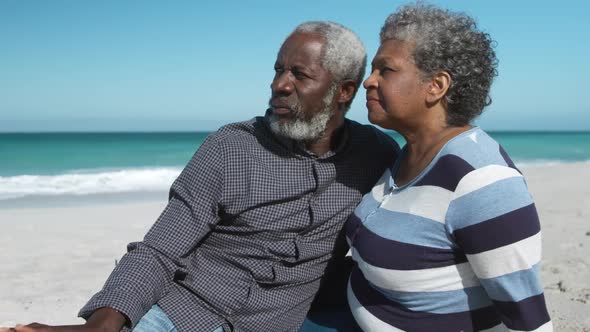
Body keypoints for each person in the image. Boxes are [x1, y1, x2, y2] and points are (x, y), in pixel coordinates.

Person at [0, 22, 399, 332]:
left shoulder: (376, 154)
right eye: (278, 70)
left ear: (344, 90)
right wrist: (102, 324)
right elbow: (160, 249)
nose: (279, 85)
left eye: (299, 74)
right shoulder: (231, 147)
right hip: (183, 312)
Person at [345, 3, 552, 332]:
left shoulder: (482, 182)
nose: (368, 81)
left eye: (386, 70)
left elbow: (528, 321)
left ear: (436, 86)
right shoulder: (409, 153)